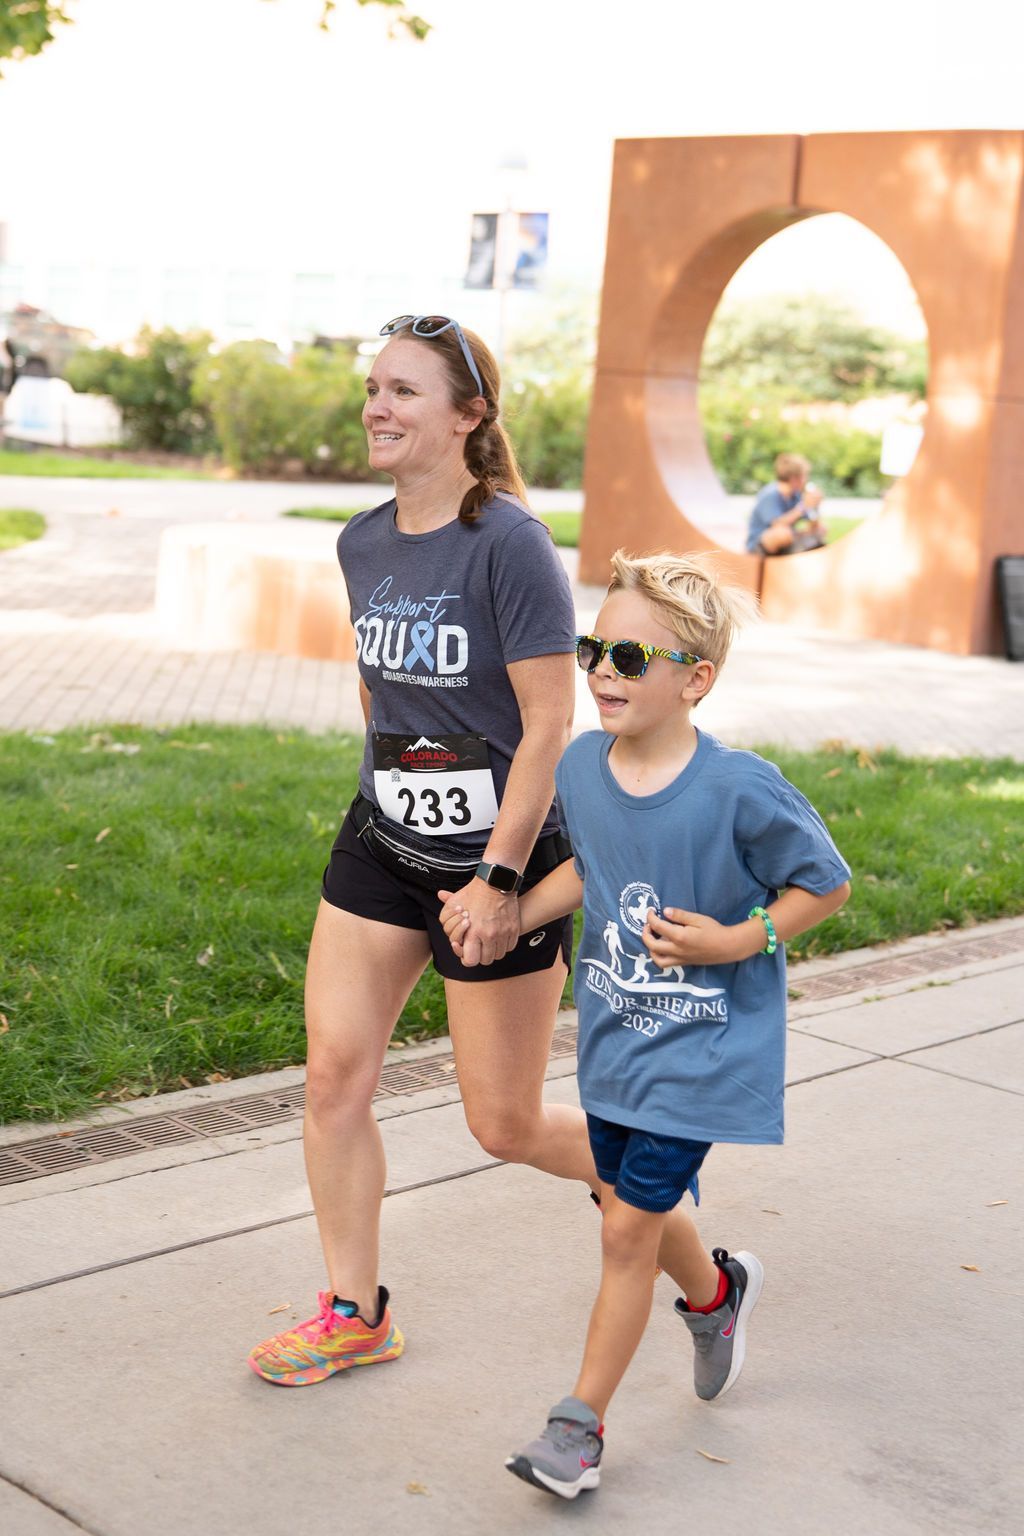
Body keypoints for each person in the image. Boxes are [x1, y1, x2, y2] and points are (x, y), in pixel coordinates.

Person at [246, 318, 745, 1388]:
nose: (376, 408)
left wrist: (498, 881)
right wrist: (389, 790)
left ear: (469, 417)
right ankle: (354, 1310)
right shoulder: (360, 541)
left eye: (405, 393)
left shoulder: (505, 541)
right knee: (334, 1074)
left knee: (505, 1124)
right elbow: (382, 695)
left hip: (499, 861)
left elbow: (546, 723)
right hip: (383, 843)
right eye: (373, 389)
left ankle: (708, 1279)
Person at [443, 551, 851, 1499]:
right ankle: (716, 1298)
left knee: (626, 1229)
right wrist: (507, 910)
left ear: (695, 680)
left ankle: (575, 1429)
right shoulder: (584, 767)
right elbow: (593, 867)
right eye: (595, 649)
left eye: (629, 656)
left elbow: (825, 884)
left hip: (702, 1055)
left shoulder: (740, 787)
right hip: (615, 1048)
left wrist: (738, 941)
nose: (601, 673)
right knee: (636, 1204)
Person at [746, 451, 827, 555]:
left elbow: (813, 526)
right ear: (794, 478)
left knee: (821, 529)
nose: (806, 479)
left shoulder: (796, 495)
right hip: (760, 545)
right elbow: (778, 524)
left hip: (786, 541)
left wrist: (814, 507)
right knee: (783, 533)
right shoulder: (770, 494)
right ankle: (771, 563)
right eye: (805, 475)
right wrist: (804, 506)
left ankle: (797, 555)